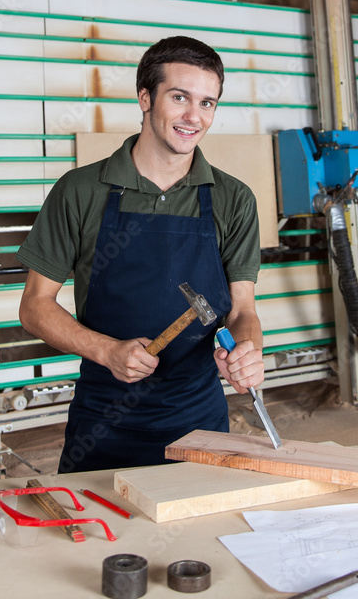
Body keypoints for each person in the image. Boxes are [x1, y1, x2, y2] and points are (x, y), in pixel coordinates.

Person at [17, 35, 264, 473]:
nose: (194, 116)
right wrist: (107, 350)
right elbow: (35, 307)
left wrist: (247, 349)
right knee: (95, 538)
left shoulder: (233, 199)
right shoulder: (80, 191)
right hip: (104, 423)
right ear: (145, 97)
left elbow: (241, 309)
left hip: (200, 420)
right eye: (179, 97)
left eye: (207, 103)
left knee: (200, 538)